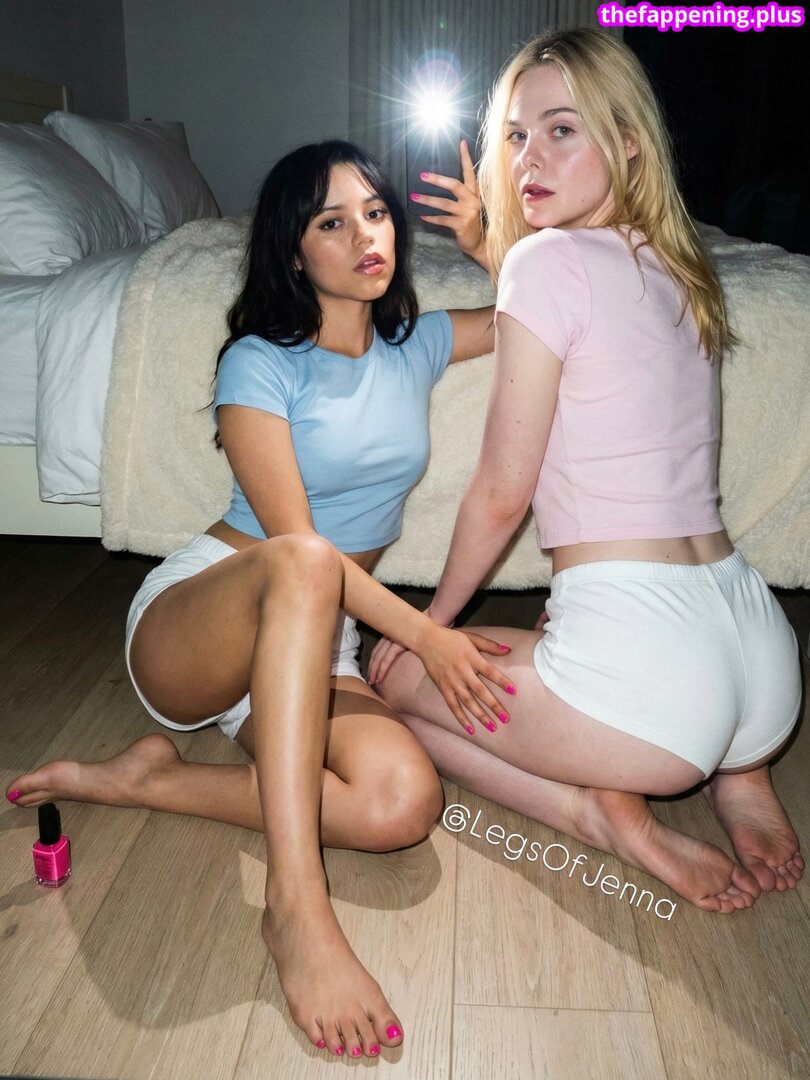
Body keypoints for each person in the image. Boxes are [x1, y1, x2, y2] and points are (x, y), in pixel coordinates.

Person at [5, 140, 513, 1058]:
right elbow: (293, 547)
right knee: (306, 557)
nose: (367, 235)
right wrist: (429, 636)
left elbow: (544, 316)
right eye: (332, 222)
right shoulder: (260, 363)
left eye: (375, 213)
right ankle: (295, 902)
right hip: (202, 622)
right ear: (293, 251)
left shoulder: (419, 344)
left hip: (320, 644)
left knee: (403, 805)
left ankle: (152, 782)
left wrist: (488, 247)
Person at [371, 28, 803, 915]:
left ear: (629, 140)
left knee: (396, 688)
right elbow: (588, 319)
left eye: (561, 130)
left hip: (652, 678)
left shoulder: (543, 264)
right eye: (515, 136)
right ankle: (742, 773)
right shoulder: (680, 266)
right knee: (556, 663)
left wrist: (429, 628)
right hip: (760, 648)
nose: (528, 158)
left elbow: (502, 493)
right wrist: (492, 249)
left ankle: (598, 815)